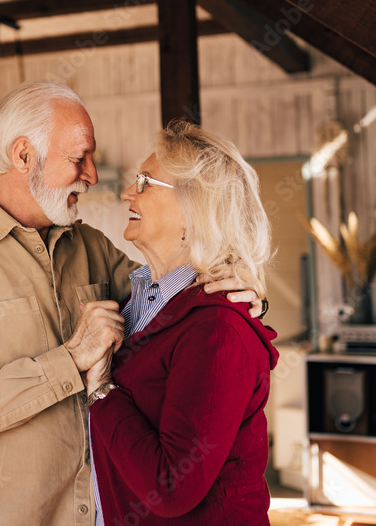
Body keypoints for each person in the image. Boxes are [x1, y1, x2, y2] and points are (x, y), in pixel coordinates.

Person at [0, 82, 262, 525]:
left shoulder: (91, 245)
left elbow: (173, 300)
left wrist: (242, 295)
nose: (93, 176)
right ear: (23, 156)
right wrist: (70, 361)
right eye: (79, 158)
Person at [87, 121, 279, 525]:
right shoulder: (137, 302)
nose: (127, 193)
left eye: (144, 182)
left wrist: (101, 391)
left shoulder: (217, 330)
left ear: (196, 211)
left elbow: (171, 487)